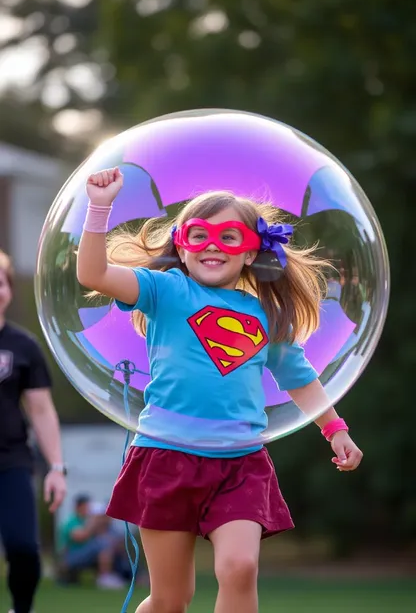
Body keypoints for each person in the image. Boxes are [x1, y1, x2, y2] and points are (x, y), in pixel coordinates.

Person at [76, 167, 363, 613]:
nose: (213, 245)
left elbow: (300, 378)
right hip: (166, 457)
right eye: (200, 234)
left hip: (241, 462)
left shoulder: (266, 313)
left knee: (240, 567)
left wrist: (335, 429)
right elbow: (93, 273)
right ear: (182, 246)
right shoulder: (163, 290)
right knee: (171, 600)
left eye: (229, 236)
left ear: (251, 253)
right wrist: (99, 207)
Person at [0, 249, 67, 613]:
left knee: (25, 550)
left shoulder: (23, 346)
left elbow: (41, 410)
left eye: (0, 282)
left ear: (9, 290)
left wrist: (56, 468)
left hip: (11, 461)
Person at [58, 494, 126, 589]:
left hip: (85, 555)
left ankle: (109, 576)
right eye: (86, 506)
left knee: (105, 544)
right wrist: (93, 522)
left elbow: (105, 537)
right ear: (79, 507)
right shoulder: (71, 521)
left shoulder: (85, 520)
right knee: (103, 545)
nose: (89, 509)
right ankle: (104, 578)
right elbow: (81, 536)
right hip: (71, 557)